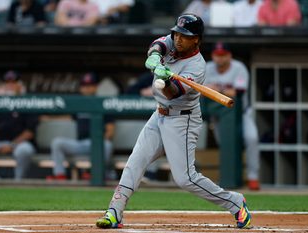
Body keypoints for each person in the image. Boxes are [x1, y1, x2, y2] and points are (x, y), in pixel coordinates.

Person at [96, 14, 252, 229]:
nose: (178, 39)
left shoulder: (197, 67)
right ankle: (114, 211)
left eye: (184, 36)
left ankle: (235, 202)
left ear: (196, 39)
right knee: (135, 161)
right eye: (176, 33)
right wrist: (154, 59)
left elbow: (172, 93)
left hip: (182, 120)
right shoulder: (172, 41)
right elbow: (158, 45)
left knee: (185, 178)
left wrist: (166, 79)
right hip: (158, 115)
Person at [204, 42, 260, 191]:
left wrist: (217, 88)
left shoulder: (238, 67)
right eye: (217, 55)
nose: (220, 58)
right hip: (217, 115)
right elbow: (201, 89)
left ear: (229, 56)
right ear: (213, 56)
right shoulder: (207, 68)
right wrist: (224, 90)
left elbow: (238, 92)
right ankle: (231, 179)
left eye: (223, 55)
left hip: (241, 113)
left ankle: (253, 177)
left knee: (251, 138)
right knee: (224, 144)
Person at [46, 72, 116, 180]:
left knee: (107, 145)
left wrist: (99, 144)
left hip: (96, 143)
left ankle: (96, 174)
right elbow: (69, 117)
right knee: (57, 143)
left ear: (96, 87)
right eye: (84, 86)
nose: (87, 88)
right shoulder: (79, 103)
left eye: (90, 85)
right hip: (79, 144)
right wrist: (49, 119)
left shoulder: (103, 103)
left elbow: (110, 131)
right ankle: (59, 175)